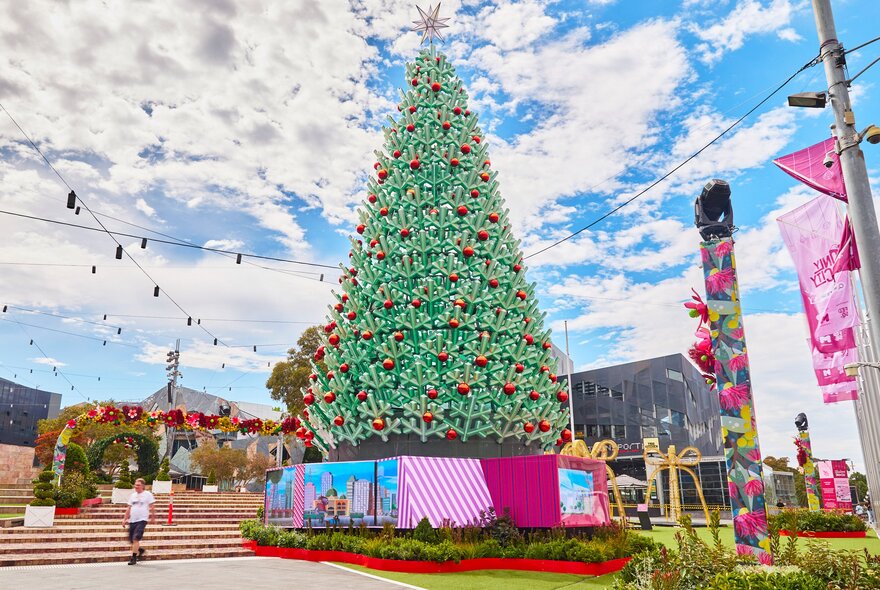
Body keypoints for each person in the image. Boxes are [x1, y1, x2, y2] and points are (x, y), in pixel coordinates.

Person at [122, 478, 156, 565]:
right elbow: (129, 508)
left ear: (143, 486)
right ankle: (140, 550)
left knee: (136, 538)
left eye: (138, 485)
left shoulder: (147, 494)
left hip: (142, 520)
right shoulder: (132, 495)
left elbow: (152, 506)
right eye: (135, 485)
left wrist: (152, 517)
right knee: (131, 540)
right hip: (132, 520)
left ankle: (133, 558)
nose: (136, 486)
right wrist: (124, 519)